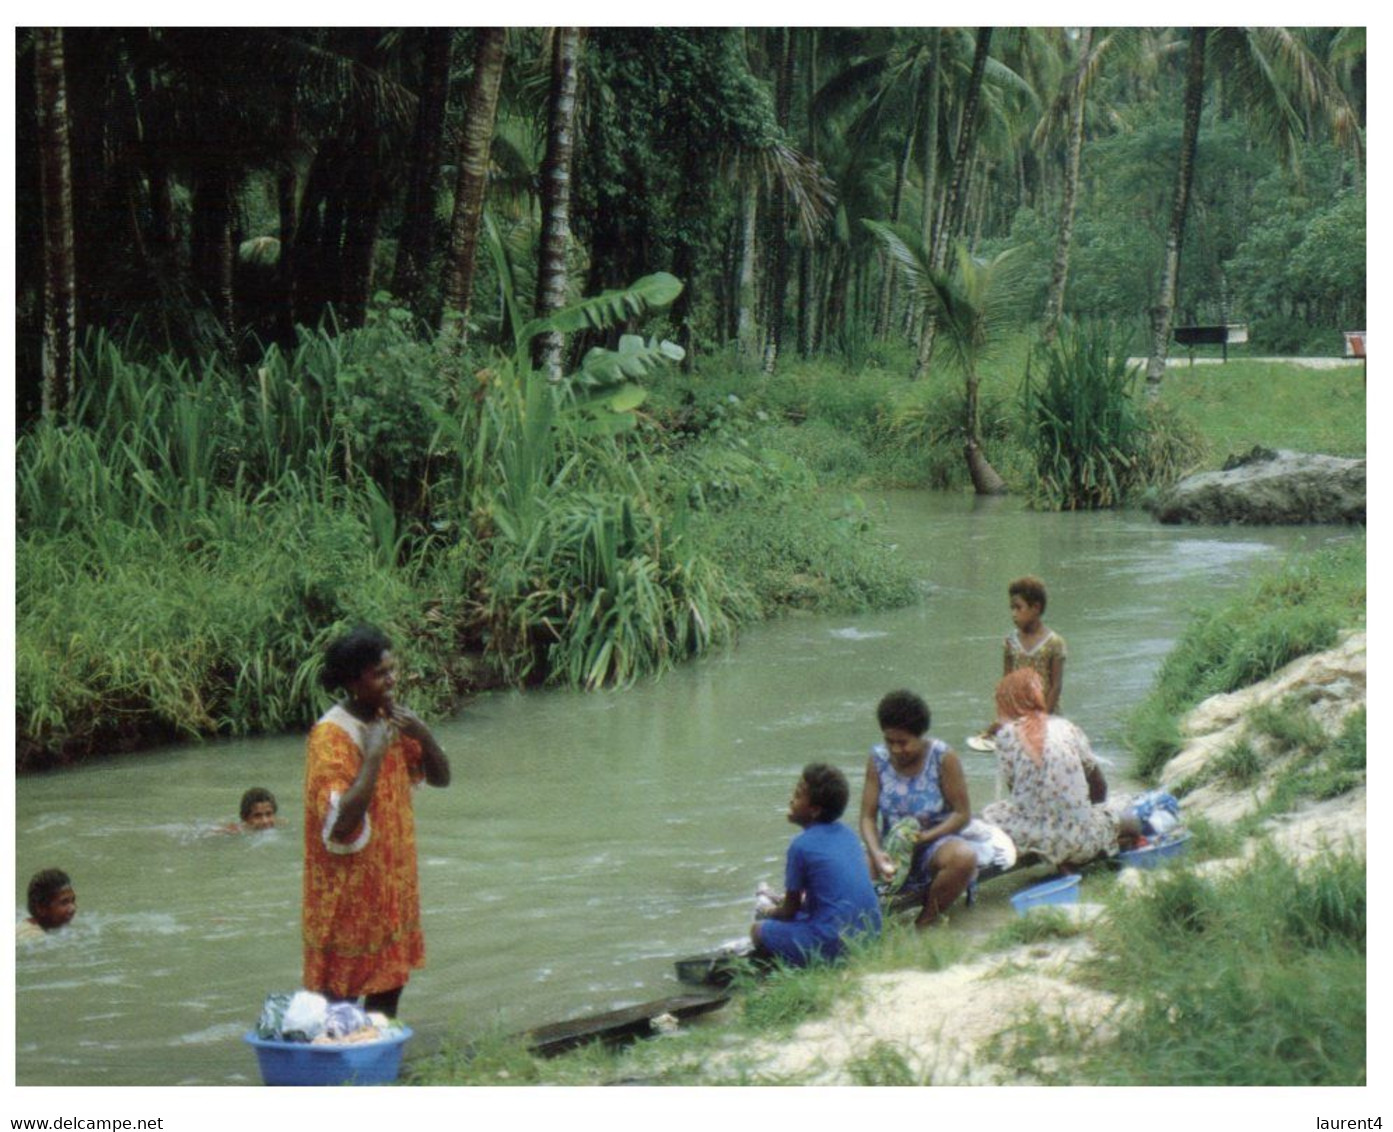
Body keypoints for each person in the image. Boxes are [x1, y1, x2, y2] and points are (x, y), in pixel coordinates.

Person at [302, 625, 450, 1018]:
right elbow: (340, 821)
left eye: (393, 670)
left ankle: (377, 1062)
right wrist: (372, 755)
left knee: (389, 985)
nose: (393, 680)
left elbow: (441, 778)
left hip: (391, 883)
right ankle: (343, 1070)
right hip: (348, 891)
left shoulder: (393, 721)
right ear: (354, 681)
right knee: (340, 997)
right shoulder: (331, 736)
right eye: (382, 673)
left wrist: (424, 734)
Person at [981, 669, 1130, 871]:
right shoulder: (1067, 727)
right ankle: (1074, 852)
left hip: (1035, 834)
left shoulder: (1006, 735)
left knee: (992, 813)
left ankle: (1057, 852)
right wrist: (1090, 818)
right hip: (1079, 838)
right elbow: (1099, 786)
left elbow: (1017, 794)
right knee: (1123, 815)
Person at [859, 690, 979, 928]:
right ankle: (867, 932)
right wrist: (876, 853)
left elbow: (961, 814)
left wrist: (925, 838)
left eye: (903, 742)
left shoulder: (943, 757)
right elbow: (867, 818)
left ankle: (925, 922)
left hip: (934, 843)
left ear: (920, 736)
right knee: (852, 877)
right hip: (891, 846)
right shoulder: (877, 759)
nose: (895, 749)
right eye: (889, 741)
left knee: (964, 858)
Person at [752, 763, 882, 966]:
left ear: (814, 810)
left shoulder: (801, 845)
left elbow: (789, 911)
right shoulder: (848, 834)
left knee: (757, 930)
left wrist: (767, 912)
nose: (791, 799)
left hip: (835, 943)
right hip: (871, 934)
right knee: (808, 913)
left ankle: (790, 965)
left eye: (797, 794)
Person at [1003, 575, 1066, 714]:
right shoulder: (1010, 642)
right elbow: (1007, 683)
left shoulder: (1054, 643)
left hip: (1048, 714)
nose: (1013, 614)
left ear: (1036, 608)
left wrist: (1042, 719)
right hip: (1019, 714)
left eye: (1018, 608)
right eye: (1012, 608)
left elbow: (1056, 686)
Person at [18, 868, 76, 942]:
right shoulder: (33, 936)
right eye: (64, 902)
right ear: (41, 908)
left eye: (73, 901)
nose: (72, 908)